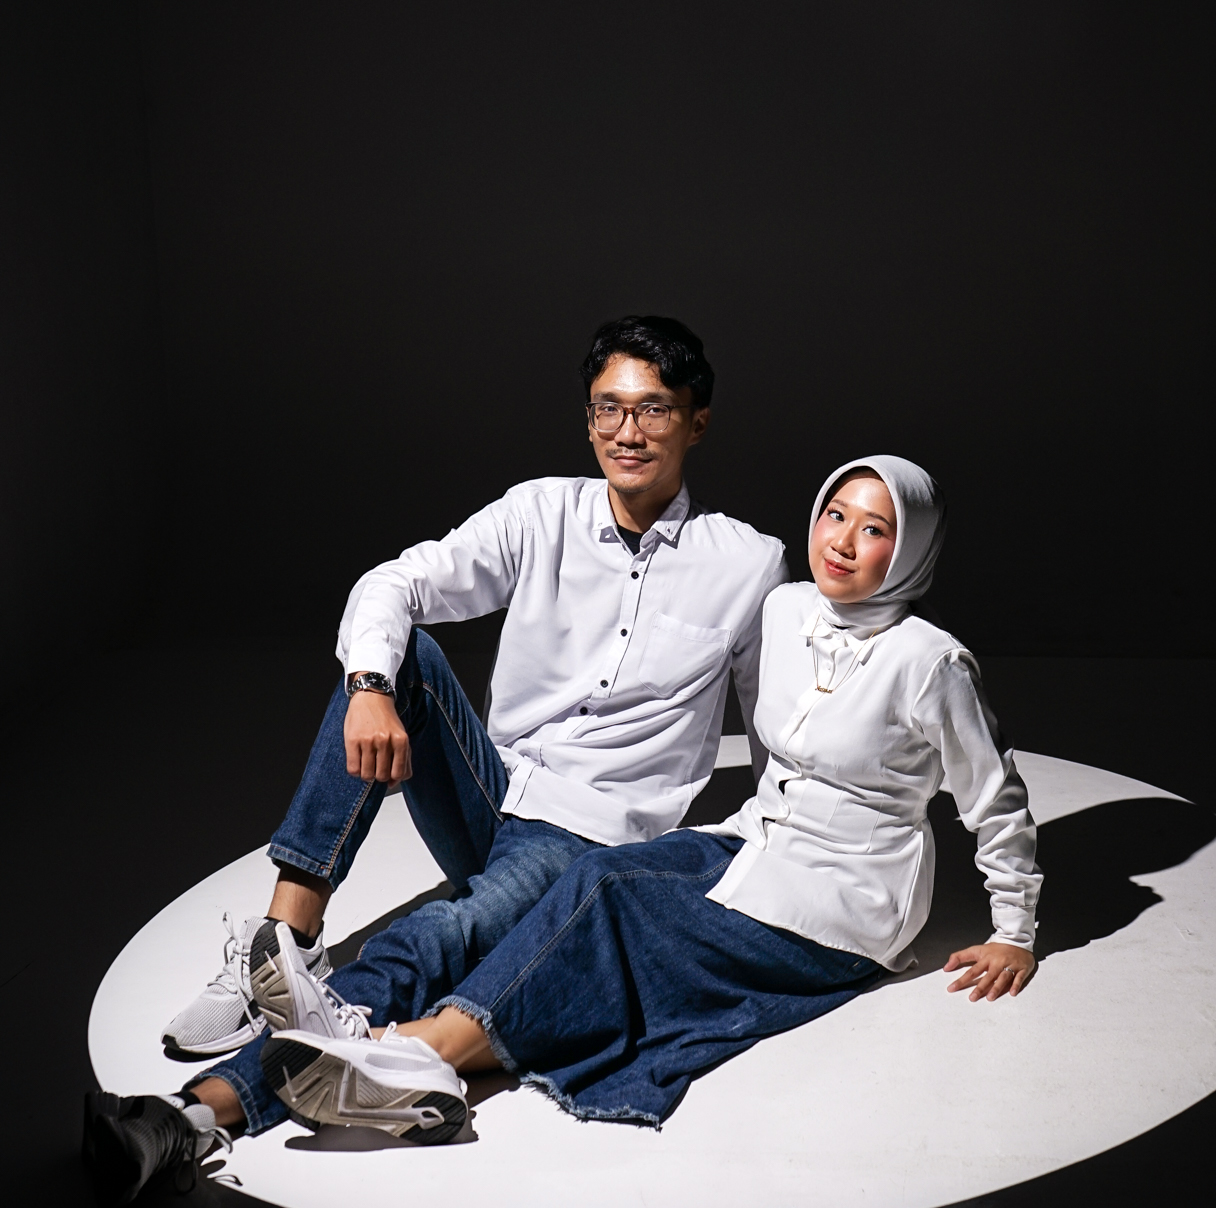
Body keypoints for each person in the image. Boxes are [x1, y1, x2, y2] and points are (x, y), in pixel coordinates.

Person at [83, 315, 785, 1204]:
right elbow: (396, 582)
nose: (627, 431)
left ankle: (188, 1118)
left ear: (696, 421)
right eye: (607, 408)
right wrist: (370, 686)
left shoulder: (747, 564)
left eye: (652, 410)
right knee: (397, 654)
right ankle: (287, 940)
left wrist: (779, 876)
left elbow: (778, 736)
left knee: (437, 937)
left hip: (586, 835)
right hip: (493, 791)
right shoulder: (540, 512)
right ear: (587, 418)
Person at [193, 454, 1041, 1148]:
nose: (844, 541)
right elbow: (772, 744)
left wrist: (1014, 931)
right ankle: (280, 964)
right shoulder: (784, 609)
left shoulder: (928, 660)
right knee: (398, 672)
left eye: (875, 529)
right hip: (735, 839)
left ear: (913, 548)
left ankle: (372, 1062)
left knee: (575, 897)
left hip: (843, 893)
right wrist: (371, 686)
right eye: (835, 515)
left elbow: (993, 798)